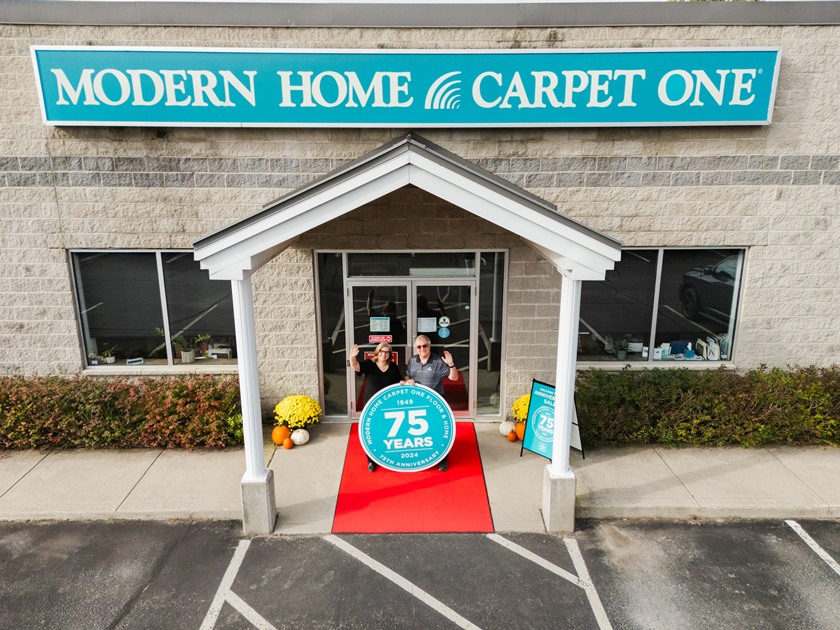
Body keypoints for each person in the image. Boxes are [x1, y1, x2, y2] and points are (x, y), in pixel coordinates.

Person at [403, 335, 458, 472]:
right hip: (417, 404)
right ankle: (423, 456)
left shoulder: (438, 361)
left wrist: (451, 364)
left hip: (435, 403)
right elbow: (407, 374)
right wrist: (408, 380)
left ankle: (442, 460)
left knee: (437, 432)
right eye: (419, 347)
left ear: (429, 346)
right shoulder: (412, 361)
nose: (422, 349)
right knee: (419, 434)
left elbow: (454, 377)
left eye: (424, 346)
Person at [349, 342, 403, 472]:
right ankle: (371, 460)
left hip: (388, 407)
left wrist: (403, 382)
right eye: (382, 351)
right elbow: (356, 367)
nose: (384, 354)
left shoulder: (393, 367)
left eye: (387, 352)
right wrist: (352, 357)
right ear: (377, 352)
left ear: (390, 355)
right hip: (371, 406)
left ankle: (386, 455)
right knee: (372, 434)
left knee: (387, 433)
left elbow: (399, 381)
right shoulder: (369, 365)